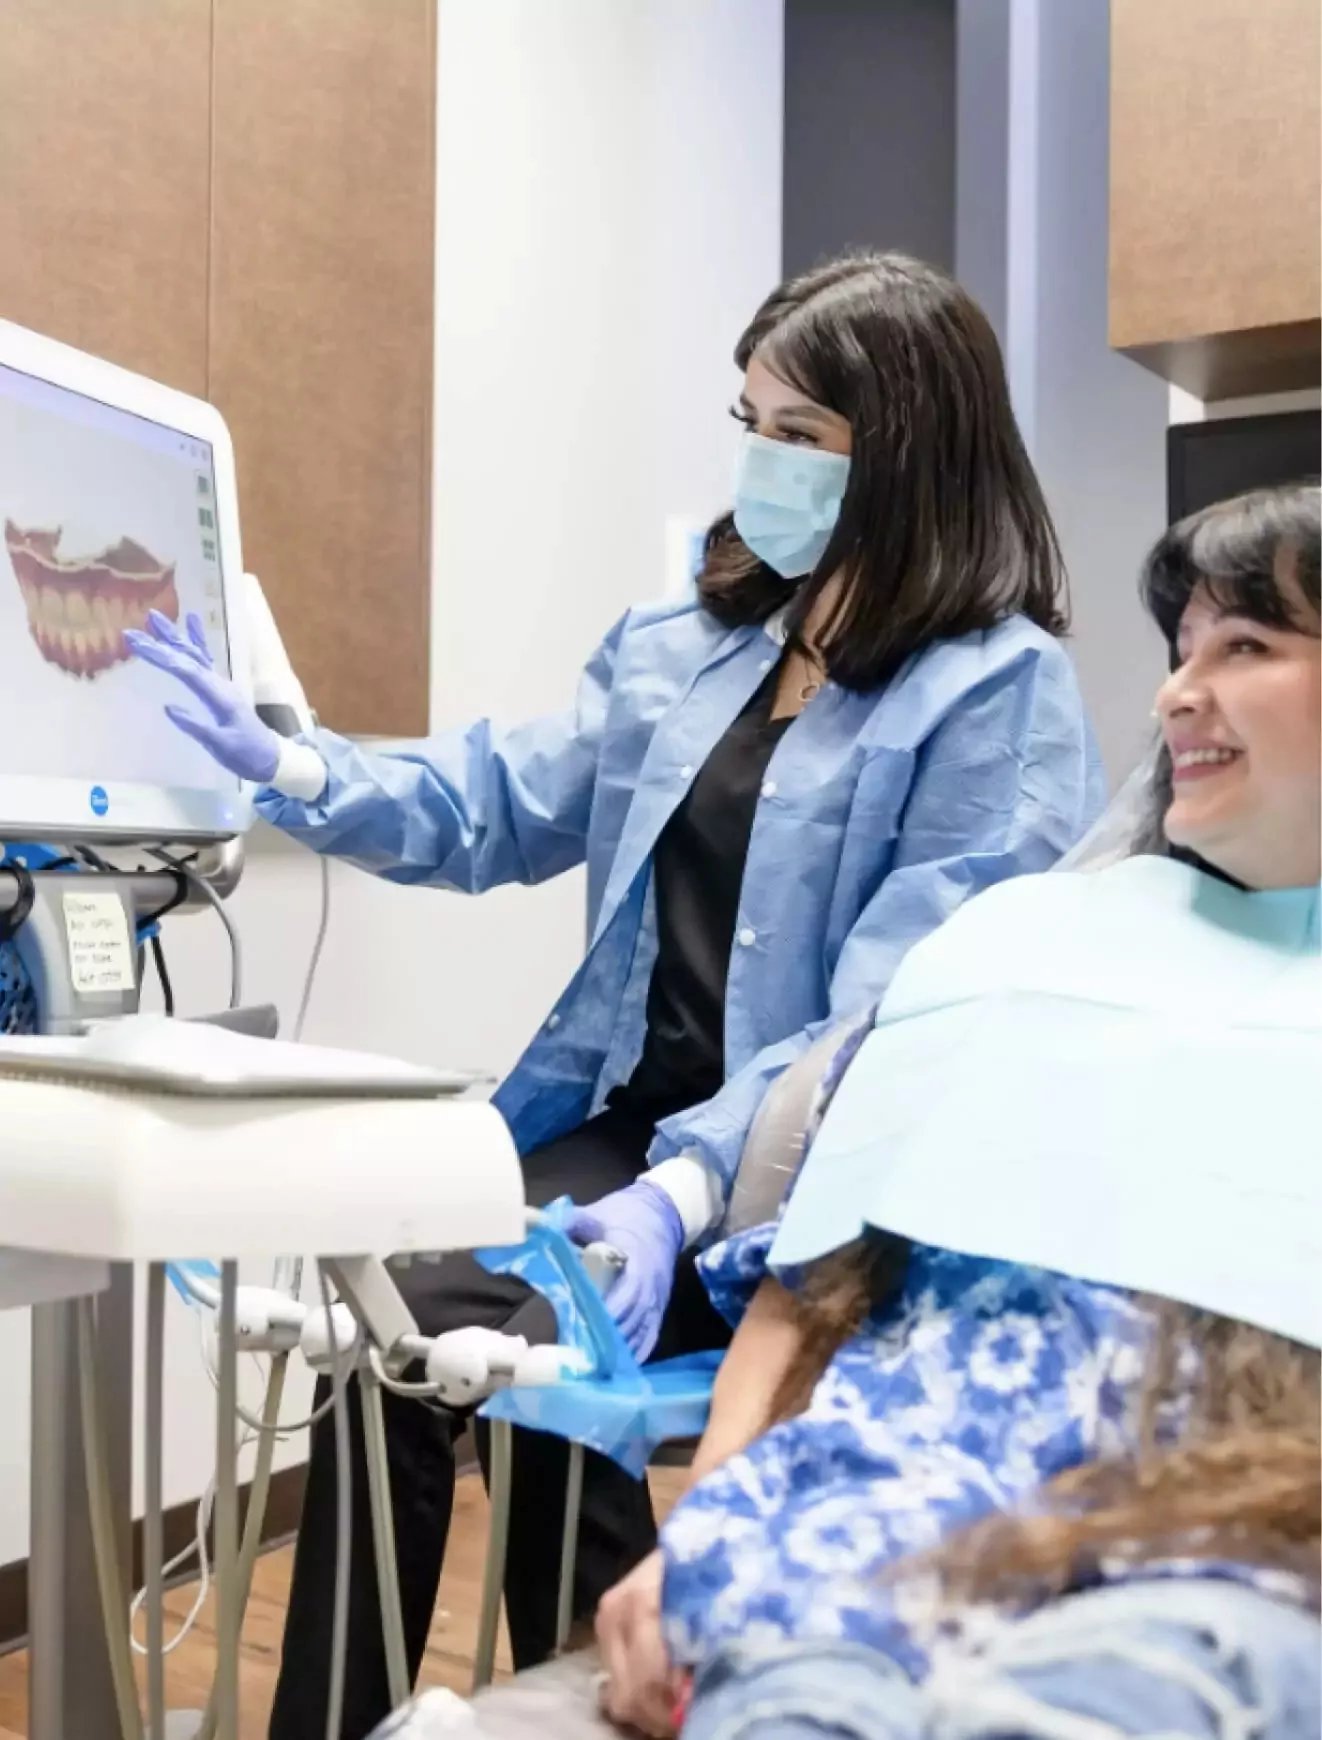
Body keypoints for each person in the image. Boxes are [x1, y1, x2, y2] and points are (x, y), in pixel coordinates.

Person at [127, 250, 1102, 1737]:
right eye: (748, 420)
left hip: (818, 1174)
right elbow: (490, 801)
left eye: (798, 437)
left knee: (536, 1352)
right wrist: (294, 767)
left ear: (900, 455)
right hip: (621, 1131)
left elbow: (895, 1010)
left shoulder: (992, 692)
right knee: (397, 1324)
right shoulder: (686, 647)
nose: (755, 464)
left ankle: (609, 1697)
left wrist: (687, 1194)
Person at [594, 484, 1321, 1739]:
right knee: (801, 1682)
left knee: (1150, 1680)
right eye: (1179, 650)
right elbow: (812, 1283)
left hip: (1230, 1534)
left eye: (1244, 646)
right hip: (891, 1496)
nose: (1175, 693)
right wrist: (707, 1526)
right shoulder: (1013, 945)